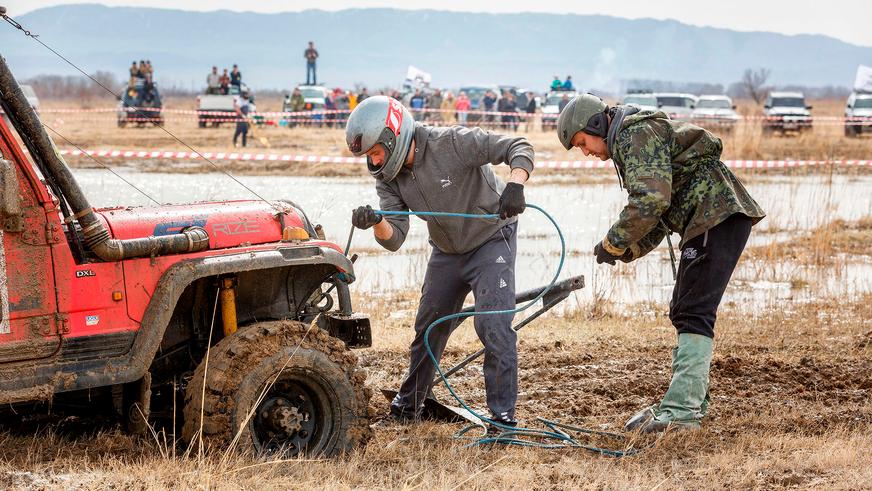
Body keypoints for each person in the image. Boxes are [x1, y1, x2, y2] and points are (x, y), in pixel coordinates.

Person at [555, 94, 765, 433]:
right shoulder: (633, 137)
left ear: (595, 125)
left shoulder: (632, 136)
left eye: (582, 143)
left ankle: (682, 411)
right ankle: (688, 402)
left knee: (693, 310)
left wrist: (614, 240)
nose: (587, 152)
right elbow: (661, 214)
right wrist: (629, 250)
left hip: (716, 216)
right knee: (684, 309)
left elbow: (651, 200)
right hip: (710, 219)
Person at [345, 96, 534, 430]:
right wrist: (376, 221)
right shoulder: (388, 179)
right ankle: (409, 407)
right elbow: (395, 238)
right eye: (367, 156)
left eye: (375, 152)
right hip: (447, 251)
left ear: (394, 137)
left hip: (492, 240)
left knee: (493, 325)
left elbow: (519, 146)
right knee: (429, 326)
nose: (373, 162)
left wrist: (516, 183)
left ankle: (502, 421)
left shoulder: (453, 142)